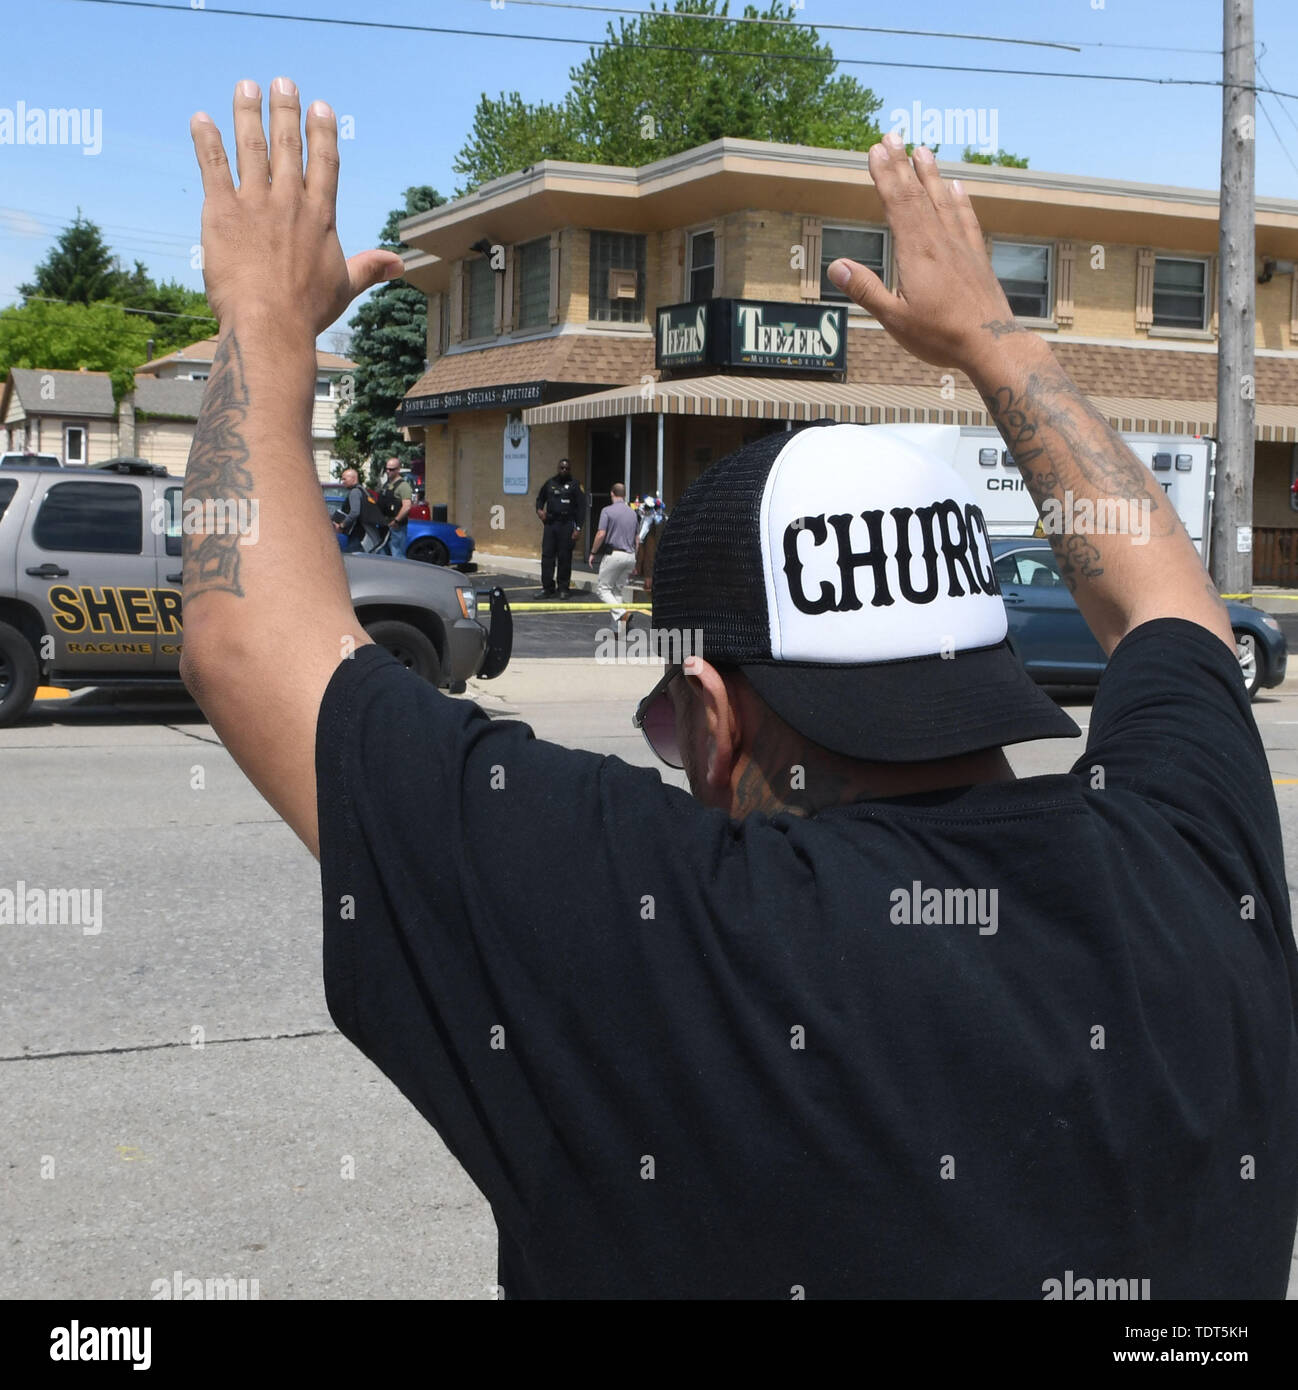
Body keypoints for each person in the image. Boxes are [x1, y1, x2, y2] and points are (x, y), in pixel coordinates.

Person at [180, 86, 1298, 1300]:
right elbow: (1166, 605)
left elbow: (251, 645)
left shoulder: (668, 940)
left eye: (670, 721)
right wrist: (995, 337)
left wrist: (258, 321)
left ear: (714, 719)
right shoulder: (1192, 857)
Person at [587, 482, 639, 628]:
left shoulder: (607, 511)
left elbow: (601, 534)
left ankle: (623, 613)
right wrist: (636, 560)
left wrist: (593, 552)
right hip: (630, 556)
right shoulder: (633, 513)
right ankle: (618, 630)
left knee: (603, 589)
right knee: (616, 590)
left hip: (614, 555)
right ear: (625, 495)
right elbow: (637, 540)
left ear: (612, 494)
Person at [534, 458, 585, 598]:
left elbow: (581, 508)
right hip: (551, 524)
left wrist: (578, 528)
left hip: (567, 525)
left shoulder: (575, 485)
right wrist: (539, 511)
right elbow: (540, 499)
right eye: (562, 468)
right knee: (547, 557)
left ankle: (563, 588)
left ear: (570, 470)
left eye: (567, 468)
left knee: (564, 557)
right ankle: (547, 588)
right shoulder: (550, 483)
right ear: (558, 468)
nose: (564, 470)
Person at [332, 466, 385, 553]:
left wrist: (342, 525)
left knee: (353, 559)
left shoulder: (355, 492)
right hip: (365, 534)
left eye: (345, 479)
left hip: (358, 536)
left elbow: (355, 512)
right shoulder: (363, 490)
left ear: (353, 478)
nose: (343, 482)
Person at [379, 456, 413, 558]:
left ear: (398, 469)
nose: (388, 471)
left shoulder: (403, 486)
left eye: (391, 469)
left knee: (397, 555)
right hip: (384, 525)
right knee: (383, 555)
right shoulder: (386, 484)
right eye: (387, 469)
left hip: (396, 527)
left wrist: (396, 521)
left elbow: (407, 506)